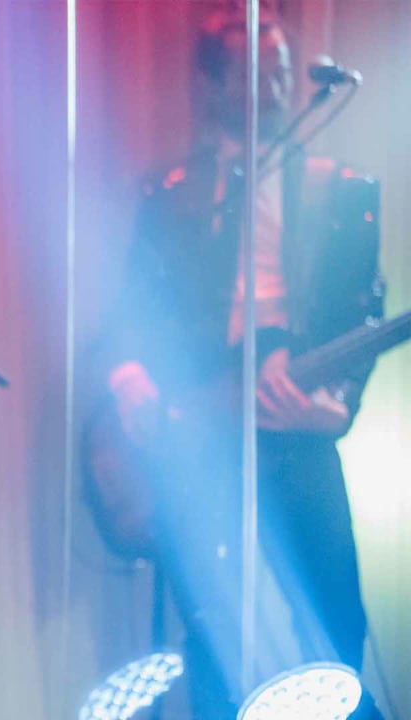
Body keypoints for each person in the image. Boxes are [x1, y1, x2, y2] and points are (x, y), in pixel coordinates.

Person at [89, 9, 384, 718]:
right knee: (215, 629)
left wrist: (334, 408)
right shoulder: (174, 195)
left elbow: (361, 317)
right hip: (202, 432)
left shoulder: (343, 189)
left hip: (295, 432)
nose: (272, 89)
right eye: (253, 73)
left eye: (280, 73)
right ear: (212, 83)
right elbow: (131, 312)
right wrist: (134, 386)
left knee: (334, 619)